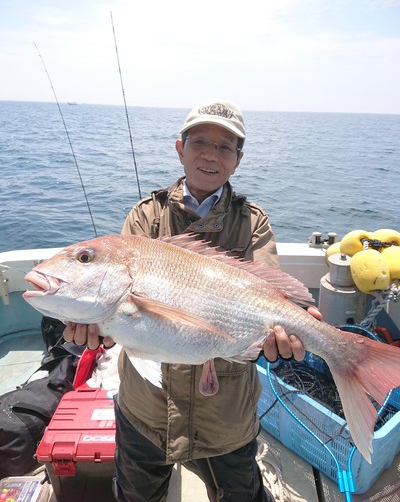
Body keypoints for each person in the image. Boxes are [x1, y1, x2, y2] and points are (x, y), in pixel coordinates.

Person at [64, 99, 319, 502]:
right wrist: (101, 332)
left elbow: (271, 299)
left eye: (224, 147)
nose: (210, 154)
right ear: (180, 149)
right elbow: (124, 318)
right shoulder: (146, 217)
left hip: (226, 415)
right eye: (200, 141)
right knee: (137, 495)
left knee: (240, 493)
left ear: (238, 160)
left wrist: (284, 334)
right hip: (146, 409)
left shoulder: (253, 221)